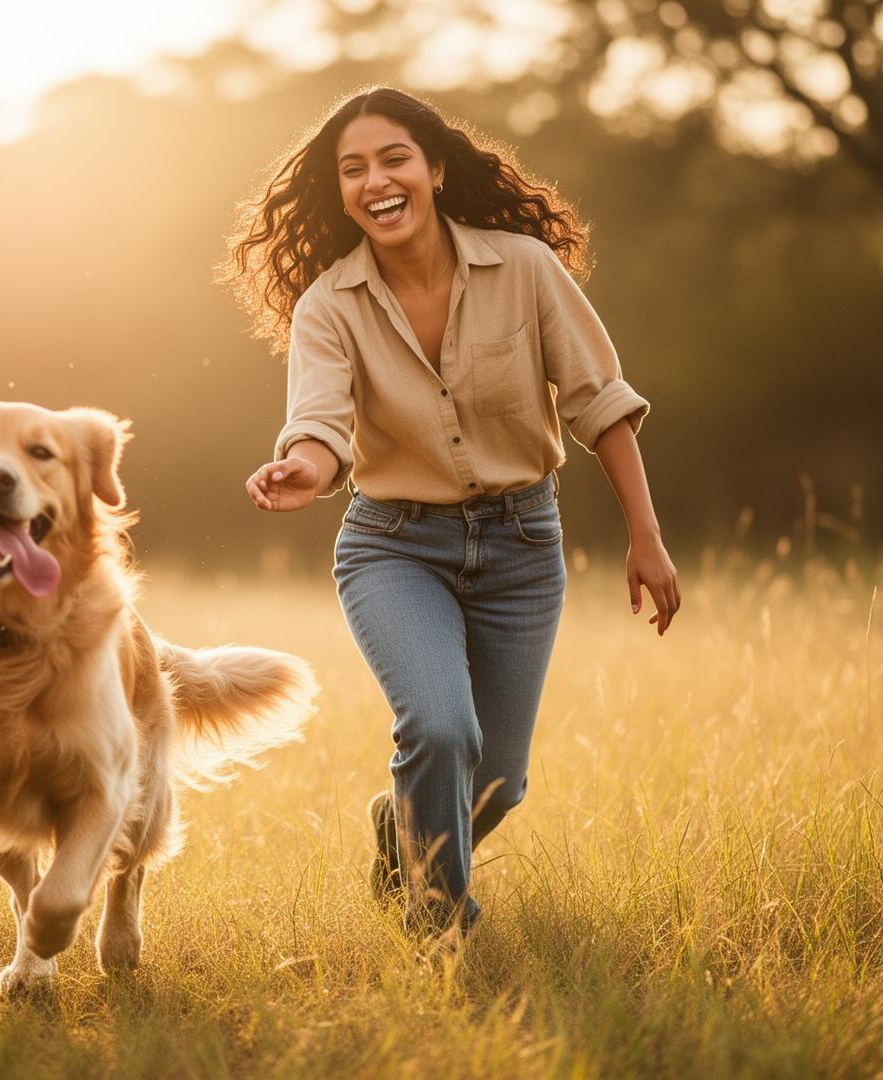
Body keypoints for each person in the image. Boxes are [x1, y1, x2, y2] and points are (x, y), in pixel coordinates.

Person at [223, 87, 682, 934]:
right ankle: (441, 925)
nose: (376, 181)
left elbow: (599, 403)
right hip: (394, 547)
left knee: (499, 781)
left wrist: (645, 537)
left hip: (521, 544)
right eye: (352, 169)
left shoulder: (524, 268)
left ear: (434, 168)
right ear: (340, 191)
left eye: (394, 159)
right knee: (439, 728)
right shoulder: (330, 304)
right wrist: (301, 467)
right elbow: (320, 421)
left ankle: (400, 833)